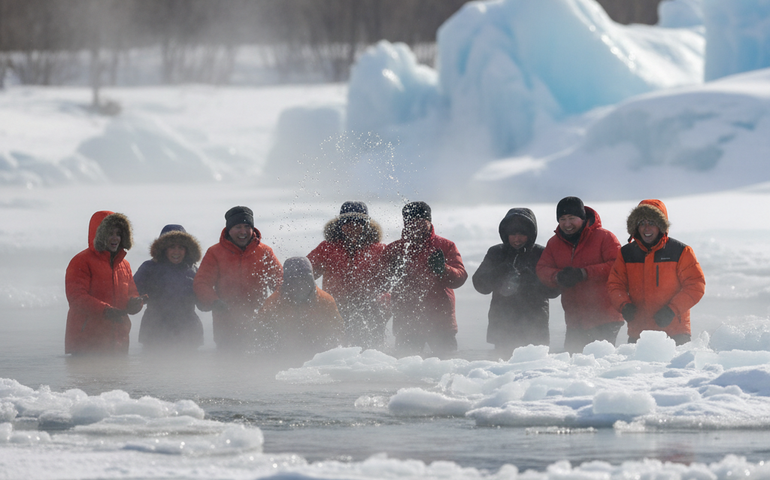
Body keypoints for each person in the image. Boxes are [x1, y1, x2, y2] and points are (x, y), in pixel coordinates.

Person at [607, 199, 705, 345]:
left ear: (661, 225)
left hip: (675, 334)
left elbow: (696, 285)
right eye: (642, 223)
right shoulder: (626, 253)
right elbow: (615, 285)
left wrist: (671, 310)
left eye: (652, 223)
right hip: (639, 334)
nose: (646, 228)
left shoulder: (680, 252)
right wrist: (624, 305)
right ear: (636, 227)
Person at [536, 196, 623, 353]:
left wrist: (584, 273)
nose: (567, 224)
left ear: (582, 218)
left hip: (606, 316)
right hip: (575, 320)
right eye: (562, 219)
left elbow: (617, 266)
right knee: (574, 364)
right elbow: (542, 268)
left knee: (599, 362)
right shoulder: (554, 243)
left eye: (572, 218)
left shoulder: (604, 237)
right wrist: (558, 277)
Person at [383, 201, 467, 357]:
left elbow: (460, 278)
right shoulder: (394, 249)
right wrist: (391, 272)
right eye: (411, 222)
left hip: (440, 322)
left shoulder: (445, 246)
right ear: (405, 223)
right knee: (405, 370)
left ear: (429, 222)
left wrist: (444, 269)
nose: (415, 226)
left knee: (447, 365)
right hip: (407, 323)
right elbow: (381, 283)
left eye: (421, 222)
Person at [193, 206, 283, 351]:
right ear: (229, 229)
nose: (243, 232)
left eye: (247, 226)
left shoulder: (265, 251)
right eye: (238, 227)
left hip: (259, 323)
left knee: (258, 367)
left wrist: (274, 304)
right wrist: (214, 302)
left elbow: (280, 282)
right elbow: (202, 282)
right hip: (226, 325)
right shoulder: (215, 252)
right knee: (227, 367)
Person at [472, 208, 559, 357]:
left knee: (535, 374)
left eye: (522, 234)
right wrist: (498, 271)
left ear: (530, 234)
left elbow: (554, 290)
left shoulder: (541, 254)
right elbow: (480, 285)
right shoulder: (496, 253)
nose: (517, 239)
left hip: (534, 329)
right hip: (502, 328)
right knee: (504, 372)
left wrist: (533, 280)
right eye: (513, 234)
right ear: (506, 234)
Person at [307, 201, 389, 349]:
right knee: (336, 351)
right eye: (347, 222)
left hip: (368, 310)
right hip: (334, 309)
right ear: (340, 225)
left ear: (366, 225)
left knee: (370, 352)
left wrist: (384, 303)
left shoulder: (379, 250)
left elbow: (391, 281)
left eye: (358, 222)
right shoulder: (327, 248)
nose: (352, 227)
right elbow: (305, 272)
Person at [65, 211, 144, 355]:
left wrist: (134, 303)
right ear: (99, 235)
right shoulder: (81, 261)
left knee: (116, 377)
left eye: (118, 233)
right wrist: (105, 311)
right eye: (110, 233)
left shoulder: (124, 265)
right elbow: (76, 297)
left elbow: (131, 293)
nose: (115, 238)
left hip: (118, 342)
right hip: (87, 344)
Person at [257, 256, 344, 359]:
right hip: (282, 356)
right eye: (293, 279)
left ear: (311, 279)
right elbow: (260, 333)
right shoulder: (273, 303)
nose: (299, 284)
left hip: (318, 357)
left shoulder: (325, 301)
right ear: (286, 281)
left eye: (304, 278)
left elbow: (338, 332)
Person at [134, 224, 204, 351]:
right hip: (154, 332)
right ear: (162, 248)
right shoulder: (149, 268)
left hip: (189, 334)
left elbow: (203, 303)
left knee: (188, 370)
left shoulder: (194, 270)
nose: (176, 251)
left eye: (181, 247)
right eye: (172, 247)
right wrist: (136, 301)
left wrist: (213, 301)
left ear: (187, 249)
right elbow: (132, 293)